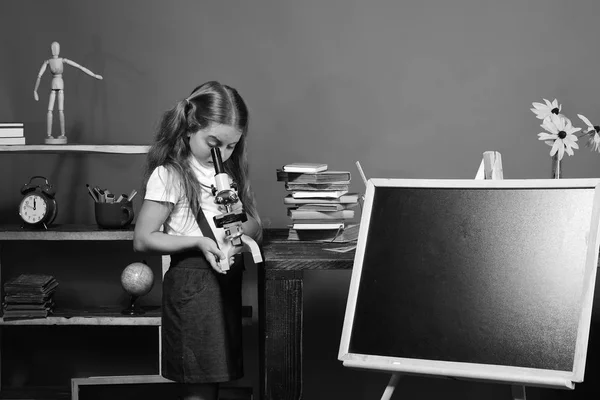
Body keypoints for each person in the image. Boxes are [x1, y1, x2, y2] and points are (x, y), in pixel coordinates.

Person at [133, 81, 262, 400]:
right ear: (190, 128)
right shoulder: (169, 175)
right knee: (199, 384)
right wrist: (199, 243)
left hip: (225, 282)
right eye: (215, 142)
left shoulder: (226, 176)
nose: (223, 153)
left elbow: (253, 225)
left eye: (232, 146)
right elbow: (143, 238)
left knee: (214, 378)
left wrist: (241, 230)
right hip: (193, 283)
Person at [33, 41, 103, 144]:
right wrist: (35, 90)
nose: (55, 50)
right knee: (53, 110)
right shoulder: (53, 61)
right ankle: (53, 134)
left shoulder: (51, 61)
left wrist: (93, 75)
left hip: (57, 83)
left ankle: (60, 134)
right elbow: (79, 67)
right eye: (54, 48)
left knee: (55, 110)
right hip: (58, 83)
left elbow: (79, 67)